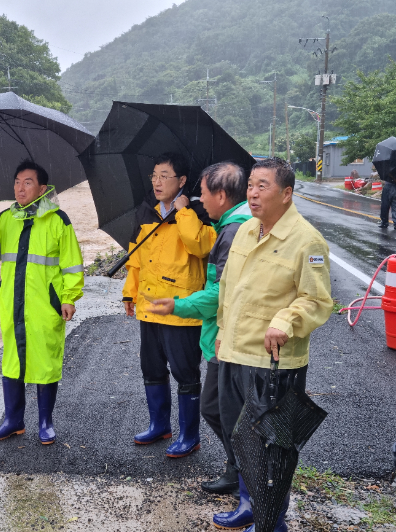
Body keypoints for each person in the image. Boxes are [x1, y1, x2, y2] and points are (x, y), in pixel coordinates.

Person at [212, 158, 332, 532]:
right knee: (241, 439)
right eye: (250, 185)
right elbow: (230, 291)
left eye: (262, 185)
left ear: (287, 193)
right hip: (234, 352)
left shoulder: (307, 240)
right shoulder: (247, 230)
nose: (252, 192)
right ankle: (251, 506)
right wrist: (220, 330)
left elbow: (317, 301)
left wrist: (285, 320)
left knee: (270, 446)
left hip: (273, 361)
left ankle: (272, 522)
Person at [147, 162, 251, 495]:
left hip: (226, 333)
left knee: (220, 407)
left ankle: (247, 474)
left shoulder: (228, 229)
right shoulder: (228, 224)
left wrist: (179, 304)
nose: (200, 198)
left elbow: (221, 289)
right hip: (212, 327)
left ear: (221, 195)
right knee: (218, 407)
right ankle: (239, 470)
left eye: (204, 192)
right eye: (154, 175)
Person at [0, 160, 84, 445]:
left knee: (45, 360)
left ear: (42, 188)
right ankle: (13, 421)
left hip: (44, 304)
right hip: (13, 304)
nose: (20, 187)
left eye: (27, 182)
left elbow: (72, 264)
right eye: (16, 181)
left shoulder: (58, 219)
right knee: (12, 360)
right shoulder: (5, 218)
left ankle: (45, 422)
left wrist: (69, 298)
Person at [122, 152, 216, 458]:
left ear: (182, 181)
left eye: (165, 176)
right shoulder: (146, 211)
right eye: (154, 176)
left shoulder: (200, 212)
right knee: (151, 368)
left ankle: (190, 435)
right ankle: (159, 425)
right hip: (150, 305)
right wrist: (130, 293)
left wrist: (184, 211)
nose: (158, 182)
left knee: (185, 371)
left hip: (181, 308)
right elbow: (135, 258)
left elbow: (201, 246)